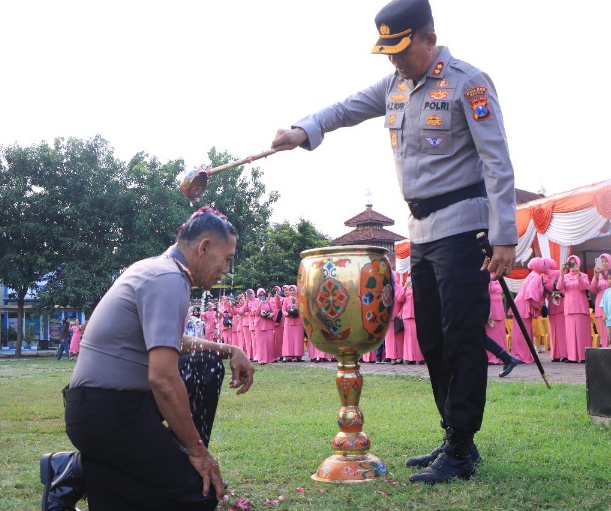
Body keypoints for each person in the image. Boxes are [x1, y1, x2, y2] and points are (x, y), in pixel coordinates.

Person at [271, 0, 517, 483]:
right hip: (420, 233)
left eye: (402, 50)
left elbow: (498, 162)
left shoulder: (469, 83)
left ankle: (463, 448)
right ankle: (453, 435)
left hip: (464, 227)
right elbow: (345, 108)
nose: (394, 61)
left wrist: (504, 235)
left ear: (428, 37)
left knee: (462, 336)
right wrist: (304, 129)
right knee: (431, 338)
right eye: (388, 52)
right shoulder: (394, 86)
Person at [40, 206, 255, 511]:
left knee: (204, 364)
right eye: (227, 259)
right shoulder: (168, 278)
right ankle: (80, 472)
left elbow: (169, 342)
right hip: (106, 413)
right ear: (205, 247)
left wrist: (229, 350)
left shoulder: (158, 269)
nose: (226, 269)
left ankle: (84, 471)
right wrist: (198, 452)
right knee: (200, 495)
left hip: (114, 408)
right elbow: (163, 379)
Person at [508, 258, 545, 364]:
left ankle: (521, 355)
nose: (545, 267)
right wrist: (538, 305)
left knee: (523, 331)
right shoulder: (535, 277)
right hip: (522, 307)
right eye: (543, 265)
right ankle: (520, 356)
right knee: (522, 332)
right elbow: (531, 294)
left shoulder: (533, 275)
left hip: (521, 306)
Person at [558, 255, 591, 363]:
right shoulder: (565, 277)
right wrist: (561, 275)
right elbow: (559, 288)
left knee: (582, 333)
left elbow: (584, 287)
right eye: (570, 263)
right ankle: (572, 356)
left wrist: (578, 274)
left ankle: (583, 356)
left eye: (574, 263)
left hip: (581, 307)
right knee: (570, 333)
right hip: (569, 308)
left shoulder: (584, 275)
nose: (572, 266)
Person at [589, 253, 611, 347]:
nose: (604, 263)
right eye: (602, 262)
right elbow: (593, 290)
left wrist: (604, 274)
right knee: (604, 334)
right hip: (600, 307)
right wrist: (595, 277)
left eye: (606, 261)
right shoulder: (598, 276)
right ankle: (606, 353)